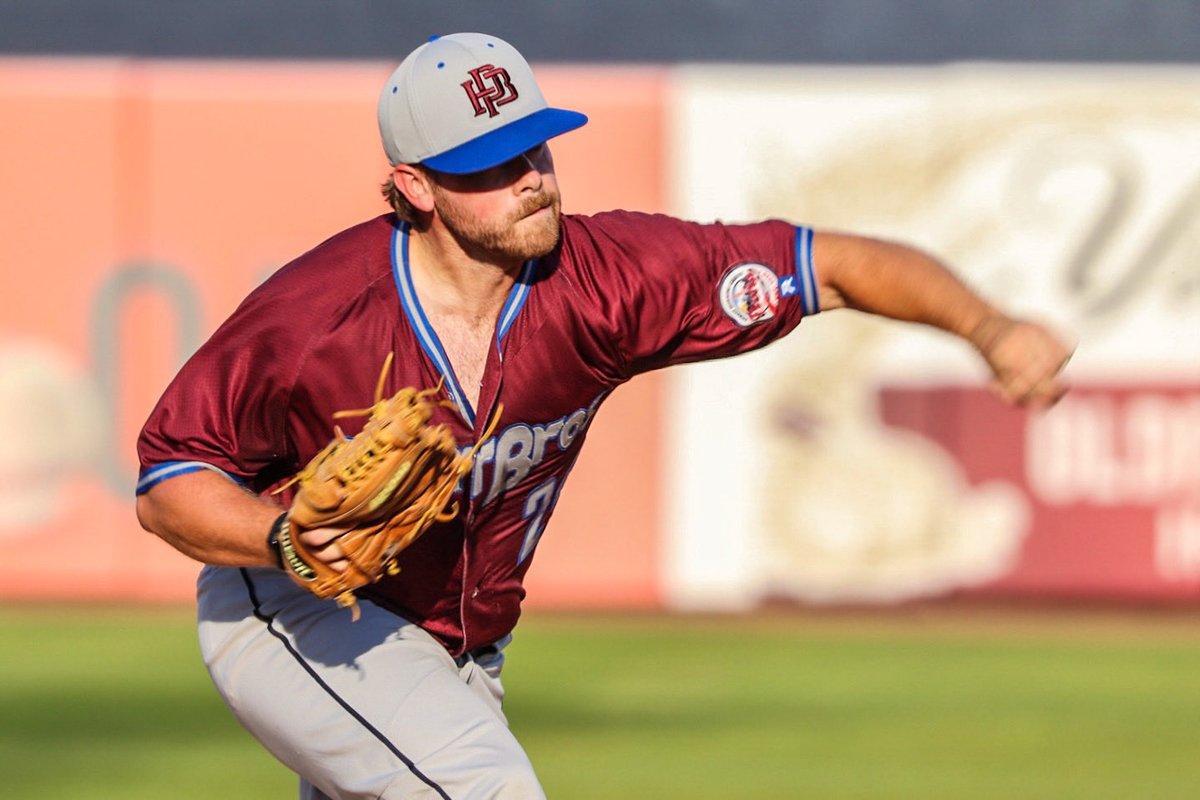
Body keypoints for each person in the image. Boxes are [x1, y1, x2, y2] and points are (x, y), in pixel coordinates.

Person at [135, 31, 1072, 800]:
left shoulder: (608, 280)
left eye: (536, 148)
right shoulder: (316, 316)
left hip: (463, 648)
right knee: (484, 789)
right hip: (303, 611)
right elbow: (169, 478)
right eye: (491, 165)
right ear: (417, 187)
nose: (532, 178)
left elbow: (832, 263)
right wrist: (281, 541)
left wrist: (987, 327)